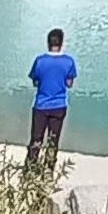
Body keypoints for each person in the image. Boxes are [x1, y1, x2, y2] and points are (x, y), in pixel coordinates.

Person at [27, 28, 77, 168]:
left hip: (41, 105)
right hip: (59, 105)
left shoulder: (40, 61)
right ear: (62, 43)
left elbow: (35, 81)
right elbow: (69, 83)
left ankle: (31, 167)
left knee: (36, 139)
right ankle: (49, 169)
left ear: (48, 42)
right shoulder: (69, 61)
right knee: (53, 140)